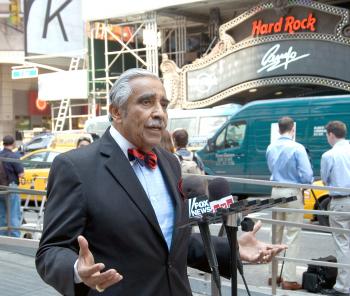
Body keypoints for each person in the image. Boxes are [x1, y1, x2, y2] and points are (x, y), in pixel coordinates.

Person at [36, 68, 286, 296]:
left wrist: (231, 248)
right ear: (116, 112)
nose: (159, 113)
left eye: (163, 104)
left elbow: (172, 240)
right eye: (146, 102)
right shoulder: (75, 167)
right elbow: (50, 251)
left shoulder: (170, 162)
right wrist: (77, 271)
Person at [266, 116, 313, 290]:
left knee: (275, 234)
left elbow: (271, 168)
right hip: (292, 192)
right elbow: (307, 175)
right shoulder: (298, 148)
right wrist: (305, 185)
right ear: (292, 129)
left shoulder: (271, 147)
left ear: (279, 129)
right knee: (292, 234)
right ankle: (289, 278)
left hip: (276, 190)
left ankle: (273, 275)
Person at [320, 121, 350, 296]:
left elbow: (324, 180)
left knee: (342, 243)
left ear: (331, 134)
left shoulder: (329, 155)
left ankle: (343, 287)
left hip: (340, 201)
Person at [0, 135, 24, 237]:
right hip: (11, 187)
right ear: (13, 143)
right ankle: (15, 237)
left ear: (3, 143)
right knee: (13, 213)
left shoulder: (0, 154)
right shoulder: (14, 156)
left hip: (1, 187)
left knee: (2, 214)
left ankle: (2, 236)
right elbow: (21, 174)